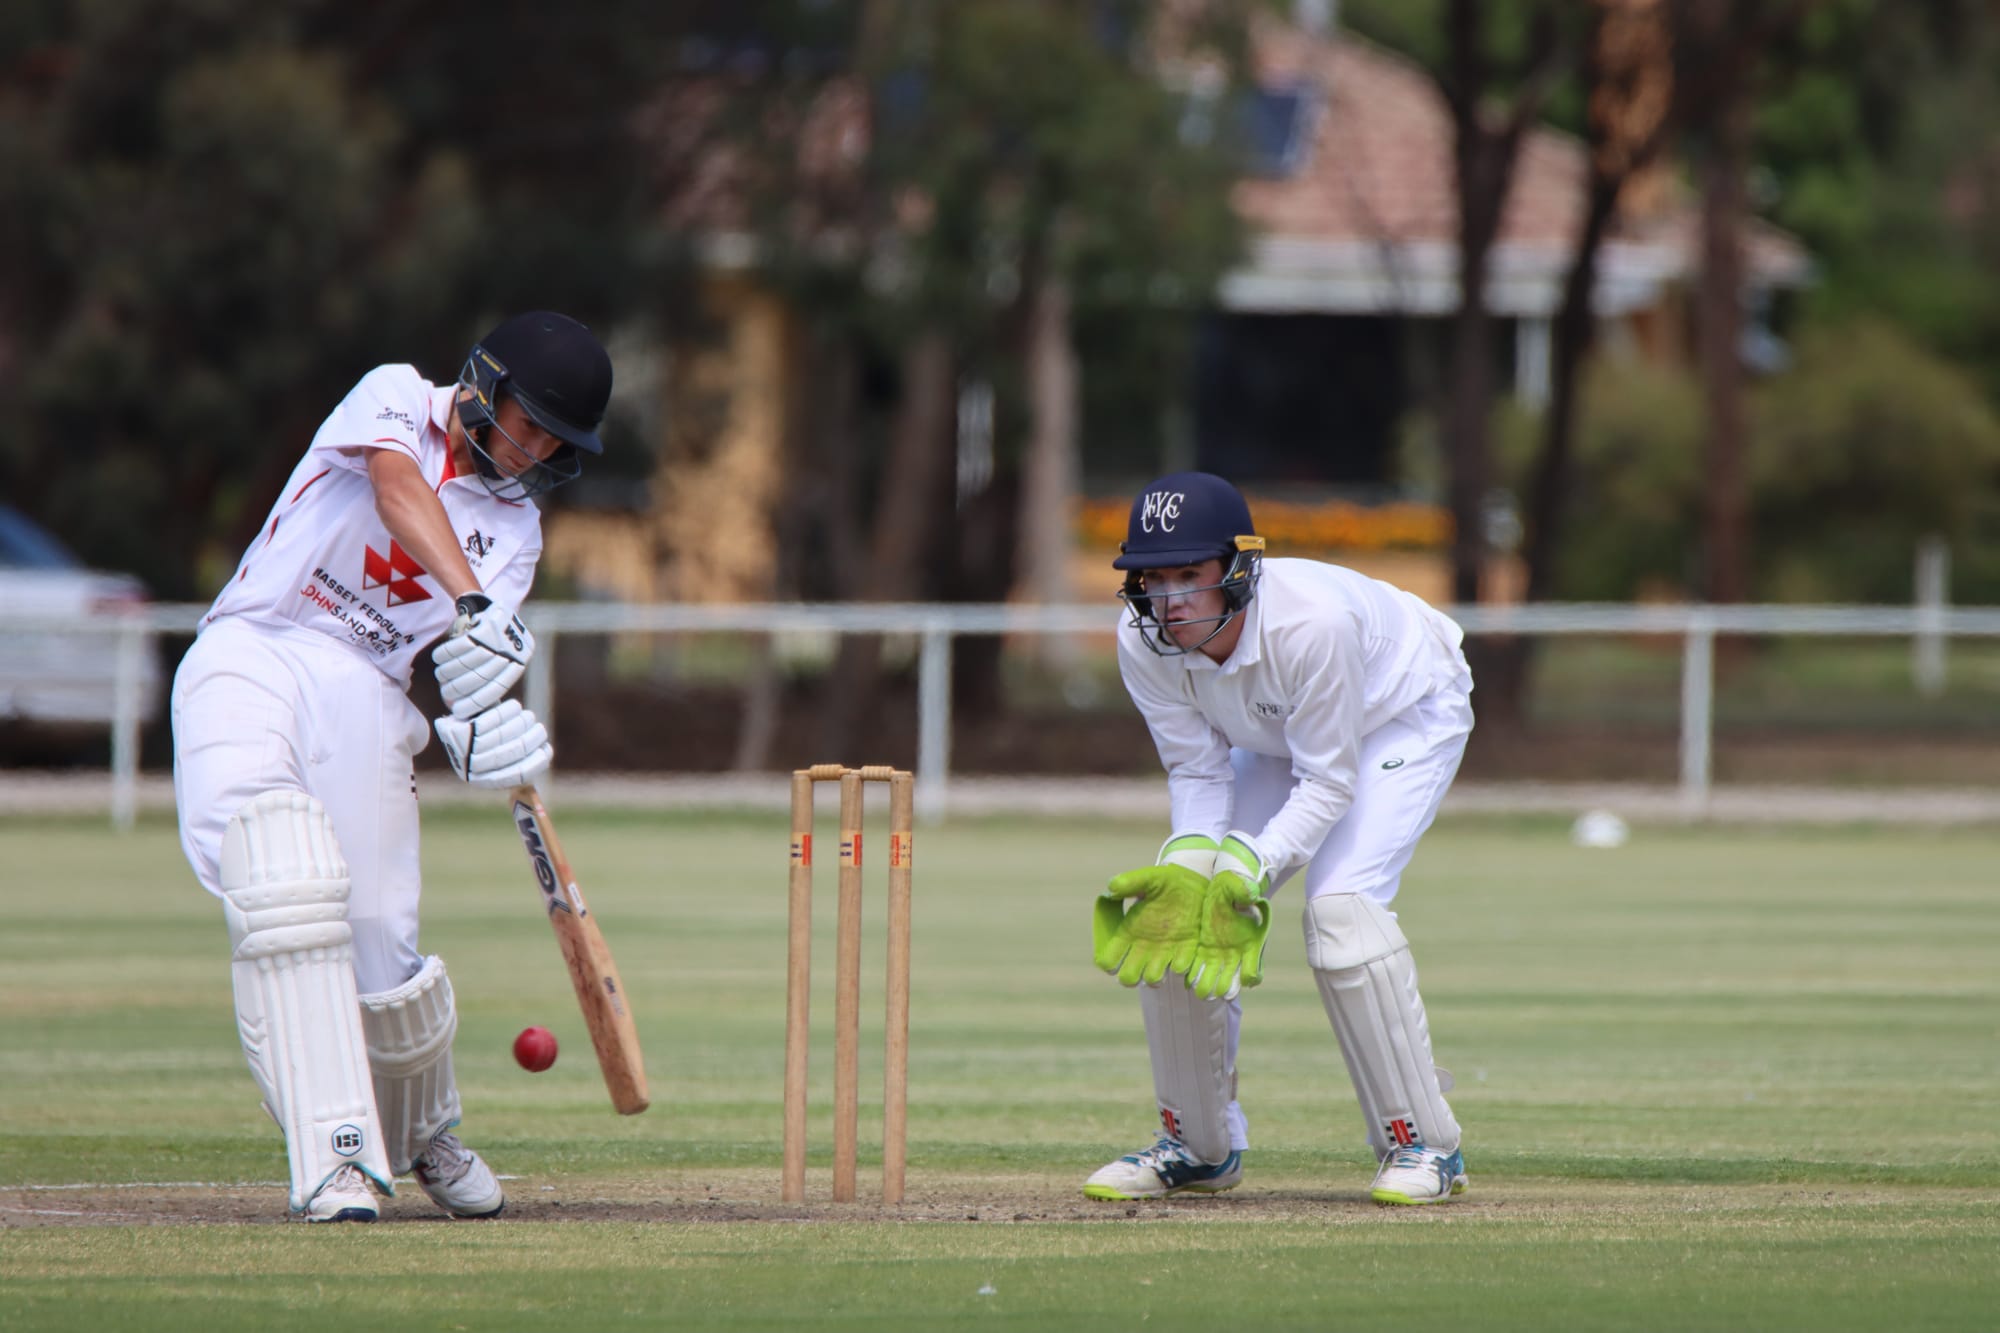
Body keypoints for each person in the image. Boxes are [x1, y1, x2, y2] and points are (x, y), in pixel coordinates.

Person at [171, 311, 613, 1221]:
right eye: (528, 424)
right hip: (258, 646)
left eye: (554, 442)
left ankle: (421, 1132)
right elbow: (396, 490)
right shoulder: (395, 397)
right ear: (484, 385)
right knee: (281, 877)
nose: (534, 452)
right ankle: (335, 1152)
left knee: (380, 936)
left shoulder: (518, 531)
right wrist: (475, 602)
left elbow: (466, 662)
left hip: (370, 693)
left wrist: (482, 722)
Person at [1086, 471, 1475, 1206]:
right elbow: (1197, 773)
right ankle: (1199, 1146)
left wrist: (1251, 864)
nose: (1170, 601)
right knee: (1184, 912)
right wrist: (1190, 872)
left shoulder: (1311, 624)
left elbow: (1328, 780)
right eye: (1153, 579)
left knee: (1342, 912)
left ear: (1238, 568)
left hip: (1402, 710)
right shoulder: (1142, 641)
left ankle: (1424, 1143)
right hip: (1279, 731)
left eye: (1190, 575)